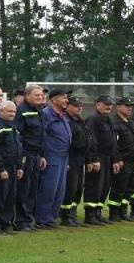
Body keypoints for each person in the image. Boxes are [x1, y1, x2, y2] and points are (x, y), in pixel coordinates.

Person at [35, 86, 73, 228]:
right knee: (49, 188)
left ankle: (51, 218)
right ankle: (42, 219)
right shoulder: (46, 114)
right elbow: (42, 136)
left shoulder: (63, 115)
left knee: (60, 189)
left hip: (63, 157)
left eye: (66, 97)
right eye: (63, 97)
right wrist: (43, 155)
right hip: (52, 156)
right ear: (53, 99)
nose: (66, 100)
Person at [13, 83, 46, 230]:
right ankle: (21, 221)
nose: (40, 97)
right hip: (26, 156)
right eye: (37, 95)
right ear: (27, 96)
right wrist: (23, 156)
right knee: (23, 189)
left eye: (41, 95)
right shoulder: (21, 111)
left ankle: (29, 219)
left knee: (33, 188)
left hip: (37, 155)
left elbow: (42, 135)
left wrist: (42, 155)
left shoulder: (40, 111)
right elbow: (18, 135)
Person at [83, 96, 117, 226]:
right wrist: (94, 159)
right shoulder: (93, 119)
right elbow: (91, 141)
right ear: (98, 105)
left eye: (110, 104)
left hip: (108, 158)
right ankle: (90, 214)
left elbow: (113, 140)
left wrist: (115, 159)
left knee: (104, 187)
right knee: (94, 186)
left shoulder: (108, 120)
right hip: (98, 158)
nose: (109, 107)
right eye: (106, 104)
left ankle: (98, 212)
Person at [109, 97, 134, 223]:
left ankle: (123, 211)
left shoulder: (131, 123)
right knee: (119, 187)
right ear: (118, 107)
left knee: (130, 187)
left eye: (131, 106)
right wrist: (118, 159)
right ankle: (113, 212)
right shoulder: (114, 123)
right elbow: (114, 144)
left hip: (133, 160)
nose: (129, 108)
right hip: (123, 160)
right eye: (126, 105)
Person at [0, 101, 22, 234]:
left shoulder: (14, 126)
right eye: (9, 111)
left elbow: (18, 147)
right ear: (1, 111)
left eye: (14, 112)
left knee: (11, 196)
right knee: (0, 196)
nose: (12, 114)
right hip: (3, 167)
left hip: (14, 166)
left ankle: (7, 222)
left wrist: (20, 166)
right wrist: (1, 168)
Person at [61, 95, 88, 227]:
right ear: (68, 106)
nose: (79, 108)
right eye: (76, 106)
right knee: (70, 187)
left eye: (80, 106)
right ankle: (65, 216)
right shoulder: (67, 120)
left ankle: (73, 213)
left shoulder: (79, 121)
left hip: (80, 158)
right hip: (71, 157)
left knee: (78, 187)